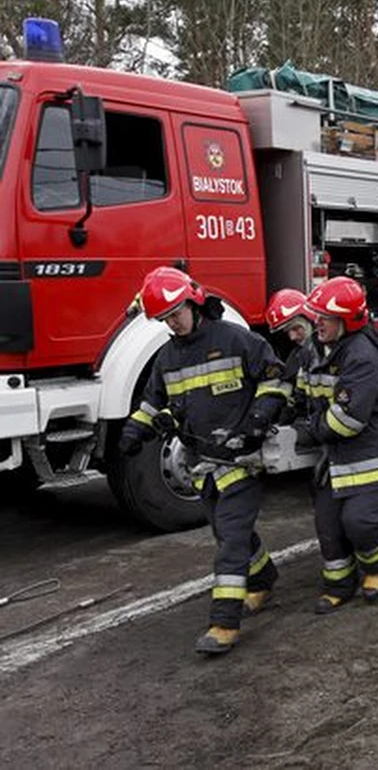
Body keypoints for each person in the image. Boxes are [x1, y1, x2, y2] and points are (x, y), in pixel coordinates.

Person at [118, 267, 288, 655]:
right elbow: (152, 403)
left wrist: (259, 419)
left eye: (176, 314)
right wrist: (134, 431)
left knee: (230, 537)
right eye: (165, 319)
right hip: (202, 465)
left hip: (242, 460)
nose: (172, 324)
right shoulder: (166, 358)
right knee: (228, 533)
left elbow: (275, 378)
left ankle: (224, 623)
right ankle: (263, 578)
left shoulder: (235, 338)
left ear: (194, 303)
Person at [302, 276, 378, 613]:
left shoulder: (362, 354)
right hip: (338, 451)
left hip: (374, 451)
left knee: (360, 521)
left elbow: (347, 420)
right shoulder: (317, 348)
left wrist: (310, 429)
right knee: (328, 524)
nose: (318, 322)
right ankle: (340, 583)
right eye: (317, 316)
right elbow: (305, 390)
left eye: (326, 317)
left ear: (346, 321)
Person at [265, 288, 322, 425]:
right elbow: (288, 385)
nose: (292, 337)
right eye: (288, 332)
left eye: (296, 328)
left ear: (310, 321)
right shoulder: (297, 355)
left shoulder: (332, 352)